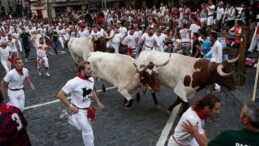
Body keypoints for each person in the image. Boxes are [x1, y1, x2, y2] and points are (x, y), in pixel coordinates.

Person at [57, 60, 105, 146]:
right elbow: (60, 95)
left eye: (91, 68)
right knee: (88, 131)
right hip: (78, 111)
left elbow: (92, 90)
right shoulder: (73, 82)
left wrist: (98, 102)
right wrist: (71, 106)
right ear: (82, 71)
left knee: (81, 128)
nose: (91, 71)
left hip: (88, 109)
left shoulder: (91, 79)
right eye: (89, 69)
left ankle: (69, 117)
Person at [183, 99, 259, 146]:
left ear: (245, 120)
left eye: (241, 111)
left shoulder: (229, 136)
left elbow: (206, 145)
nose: (218, 112)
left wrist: (195, 132)